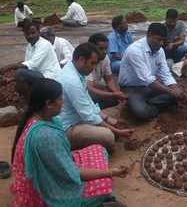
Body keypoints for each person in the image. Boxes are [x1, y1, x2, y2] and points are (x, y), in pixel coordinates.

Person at [10, 78, 129, 207]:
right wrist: (111, 172)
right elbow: (73, 174)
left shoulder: (41, 117)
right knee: (105, 185)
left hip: (51, 168)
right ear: (48, 103)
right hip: (48, 189)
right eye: (60, 99)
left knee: (98, 149)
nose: (63, 102)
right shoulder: (45, 137)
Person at [58, 43, 134, 151]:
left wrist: (108, 119)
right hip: (69, 126)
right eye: (92, 63)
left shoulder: (77, 73)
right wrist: (116, 130)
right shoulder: (72, 81)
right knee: (108, 136)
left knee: (114, 116)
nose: (93, 67)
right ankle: (74, 144)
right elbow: (87, 115)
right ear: (81, 59)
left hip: (80, 117)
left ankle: (102, 132)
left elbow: (89, 103)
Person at [119, 23, 185, 120]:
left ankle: (146, 103)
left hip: (149, 86)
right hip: (131, 87)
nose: (161, 43)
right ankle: (139, 104)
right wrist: (171, 92)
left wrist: (175, 89)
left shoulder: (159, 51)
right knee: (142, 112)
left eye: (163, 40)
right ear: (148, 35)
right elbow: (148, 79)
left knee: (175, 97)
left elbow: (165, 73)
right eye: (158, 39)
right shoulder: (135, 51)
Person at [87, 33, 128, 109]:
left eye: (106, 48)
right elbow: (89, 88)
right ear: (91, 48)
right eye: (101, 48)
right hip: (84, 91)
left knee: (115, 99)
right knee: (110, 97)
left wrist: (117, 93)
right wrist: (113, 94)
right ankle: (92, 109)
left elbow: (109, 80)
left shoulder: (105, 58)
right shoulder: (86, 61)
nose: (105, 51)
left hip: (93, 87)